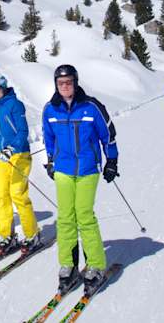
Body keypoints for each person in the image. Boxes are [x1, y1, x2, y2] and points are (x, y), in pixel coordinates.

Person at [42, 64, 119, 294]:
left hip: (87, 169)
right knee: (65, 217)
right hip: (64, 169)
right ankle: (68, 264)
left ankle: (95, 264)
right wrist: (51, 161)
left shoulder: (91, 106)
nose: (64, 86)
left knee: (84, 215)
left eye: (68, 82)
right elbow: (48, 138)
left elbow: (108, 135)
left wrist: (112, 161)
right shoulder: (50, 109)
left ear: (75, 82)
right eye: (60, 83)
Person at [0, 73, 40, 256]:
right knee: (1, 196)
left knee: (17, 194)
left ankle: (32, 234)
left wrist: (12, 148)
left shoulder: (15, 104)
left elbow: (23, 131)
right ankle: (7, 235)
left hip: (19, 154)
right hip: (1, 155)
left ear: (4, 88)